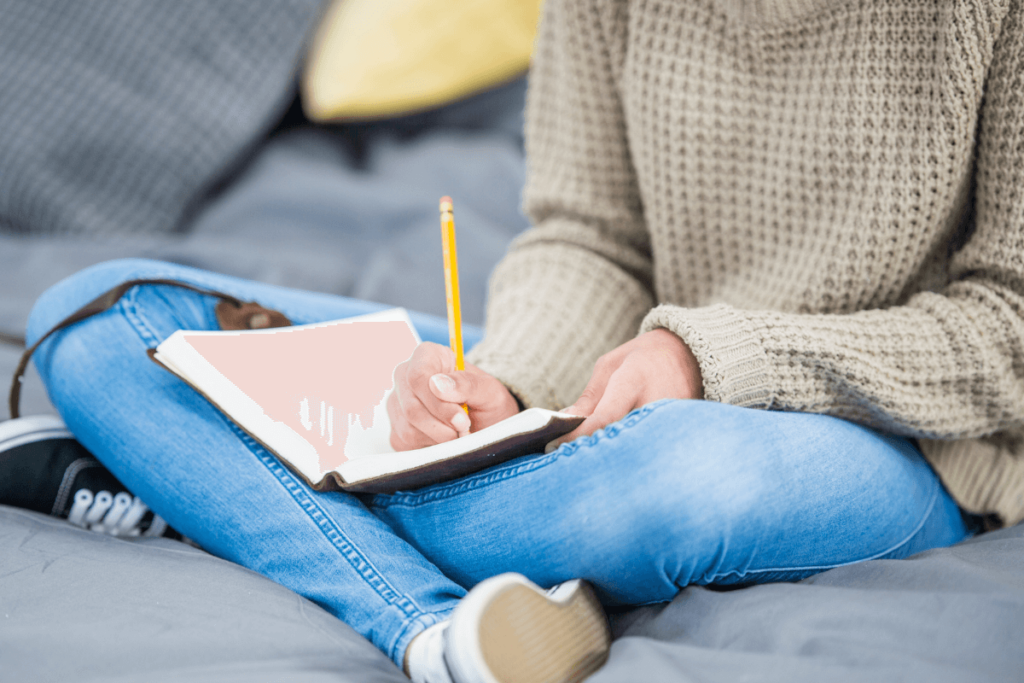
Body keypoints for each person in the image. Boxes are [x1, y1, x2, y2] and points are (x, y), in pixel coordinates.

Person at [10, 1, 1024, 682]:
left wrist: (710, 361)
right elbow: (588, 236)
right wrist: (494, 378)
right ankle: (439, 630)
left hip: (894, 435)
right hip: (614, 387)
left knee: (664, 488)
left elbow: (1010, 325)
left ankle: (211, 494)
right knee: (104, 319)